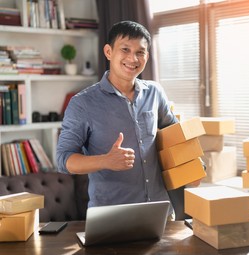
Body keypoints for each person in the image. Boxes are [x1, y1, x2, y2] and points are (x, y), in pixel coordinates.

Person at [56, 20, 199, 213]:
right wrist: (106, 161)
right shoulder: (82, 103)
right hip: (112, 215)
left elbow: (175, 135)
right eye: (125, 49)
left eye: (140, 52)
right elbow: (64, 160)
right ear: (108, 52)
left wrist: (195, 166)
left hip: (160, 210)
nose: (133, 59)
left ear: (147, 56)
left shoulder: (155, 92)